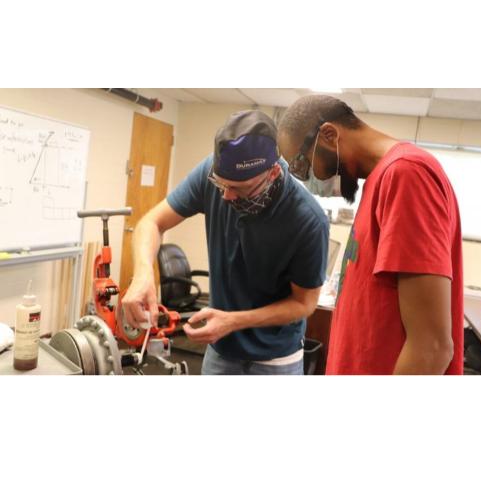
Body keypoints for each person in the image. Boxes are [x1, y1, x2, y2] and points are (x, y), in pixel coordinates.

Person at [122, 109, 329, 375]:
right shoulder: (213, 172)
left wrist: (233, 321)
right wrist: (143, 274)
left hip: (276, 359)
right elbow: (151, 223)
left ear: (273, 173)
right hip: (220, 350)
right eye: (221, 185)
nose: (227, 196)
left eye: (240, 189)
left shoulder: (308, 220)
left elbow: (304, 304)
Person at [277, 95, 463, 375]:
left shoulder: (407, 174)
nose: (309, 178)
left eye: (302, 165)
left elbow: (432, 347)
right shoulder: (380, 180)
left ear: (329, 135)